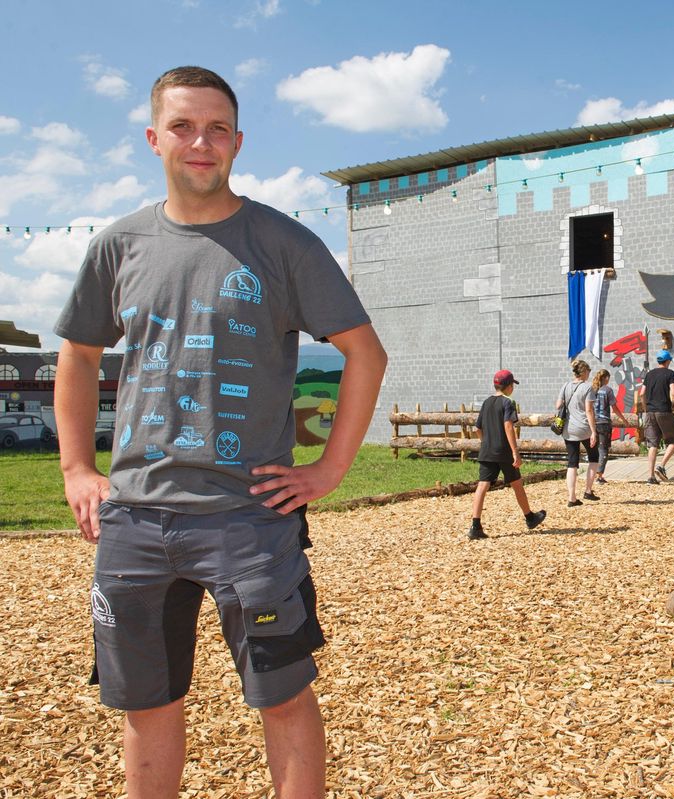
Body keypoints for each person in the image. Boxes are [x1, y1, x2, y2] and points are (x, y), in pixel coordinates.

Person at [54, 66, 388, 799]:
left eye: (216, 128)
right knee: (145, 704)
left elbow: (365, 351)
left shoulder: (283, 243)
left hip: (249, 519)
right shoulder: (120, 245)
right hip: (135, 520)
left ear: (238, 140)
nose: (199, 142)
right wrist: (78, 467)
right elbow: (77, 354)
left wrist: (329, 469)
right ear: (153, 139)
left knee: (283, 698)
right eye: (182, 126)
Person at [469, 370, 547, 540]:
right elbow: (508, 427)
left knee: (482, 486)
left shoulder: (486, 402)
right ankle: (530, 518)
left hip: (487, 450)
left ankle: (475, 526)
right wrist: (515, 451)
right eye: (513, 385)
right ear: (509, 386)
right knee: (517, 484)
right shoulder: (508, 402)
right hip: (503, 451)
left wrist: (485, 443)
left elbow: (477, 428)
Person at [555, 359, 599, 506]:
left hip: (568, 429)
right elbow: (589, 410)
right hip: (584, 428)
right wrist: (594, 431)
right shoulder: (588, 388)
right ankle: (588, 491)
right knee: (594, 457)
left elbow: (558, 405)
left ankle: (571, 498)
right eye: (588, 371)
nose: (589, 374)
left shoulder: (566, 385)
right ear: (584, 372)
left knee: (572, 463)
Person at [638, 349, 674, 484]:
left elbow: (642, 393)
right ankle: (661, 466)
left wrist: (646, 408)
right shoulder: (669, 373)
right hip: (664, 410)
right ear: (668, 360)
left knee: (653, 444)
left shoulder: (649, 374)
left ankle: (651, 477)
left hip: (650, 412)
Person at [590, 368, 631, 484]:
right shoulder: (607, 390)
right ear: (606, 378)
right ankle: (599, 476)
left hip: (593, 423)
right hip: (604, 423)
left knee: (595, 449)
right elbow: (615, 408)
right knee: (603, 450)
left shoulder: (592, 390)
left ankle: (592, 474)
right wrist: (623, 419)